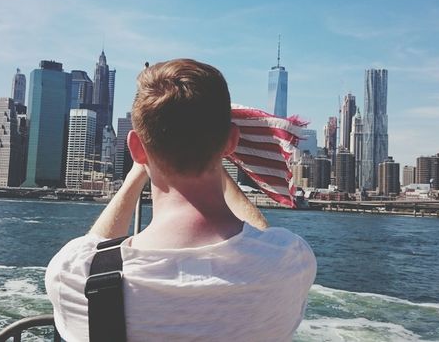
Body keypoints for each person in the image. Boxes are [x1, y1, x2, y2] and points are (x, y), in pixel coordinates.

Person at [45, 59, 316, 341]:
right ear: (231, 142)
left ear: (137, 148)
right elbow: (261, 239)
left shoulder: (74, 275)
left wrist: (137, 173)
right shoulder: (289, 261)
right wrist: (211, 150)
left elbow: (94, 248)